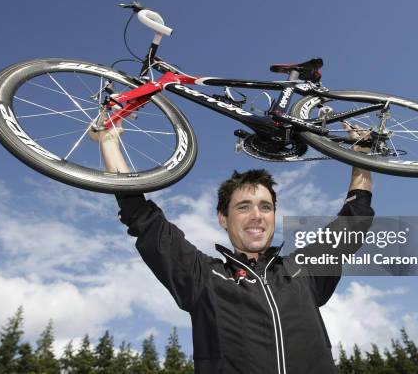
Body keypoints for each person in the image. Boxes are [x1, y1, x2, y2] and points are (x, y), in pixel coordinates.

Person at [92, 122, 374, 374]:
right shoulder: (203, 277)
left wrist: (359, 154)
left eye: (266, 207)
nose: (256, 215)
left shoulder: (304, 270)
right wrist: (109, 142)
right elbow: (142, 217)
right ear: (223, 219)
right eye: (243, 207)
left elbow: (354, 221)